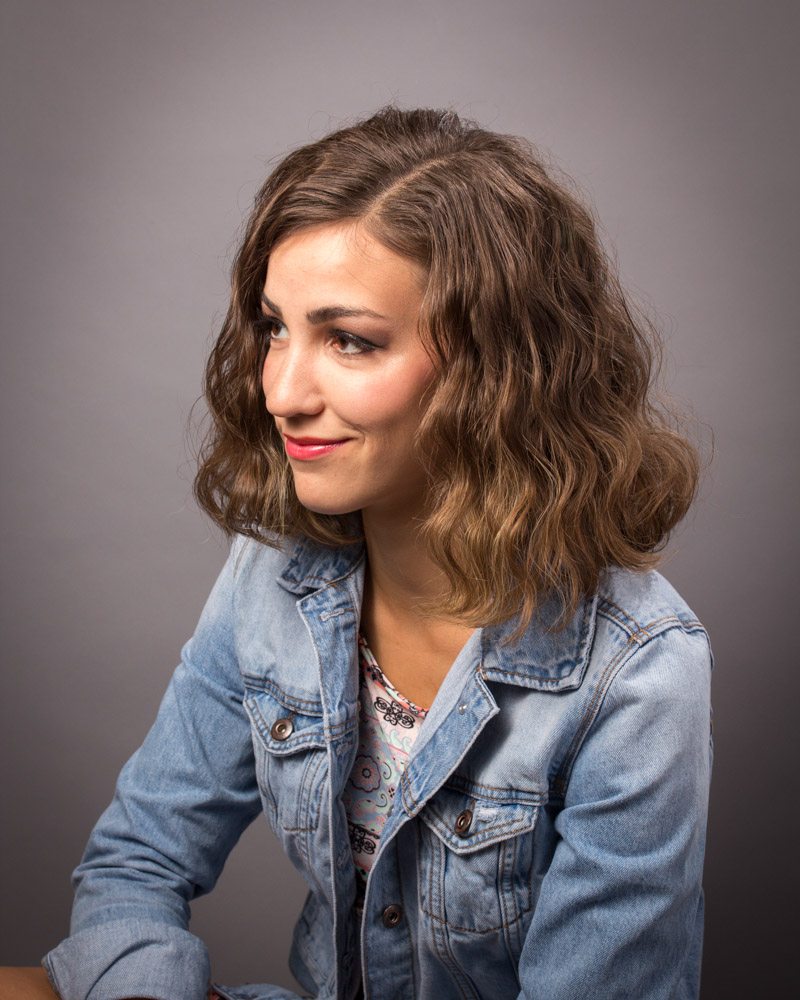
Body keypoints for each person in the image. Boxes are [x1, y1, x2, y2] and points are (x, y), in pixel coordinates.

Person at [41, 107, 712, 1000]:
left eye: (349, 340)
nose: (282, 392)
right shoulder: (273, 570)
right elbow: (133, 864)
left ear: (497, 369)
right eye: (275, 328)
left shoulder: (637, 673)